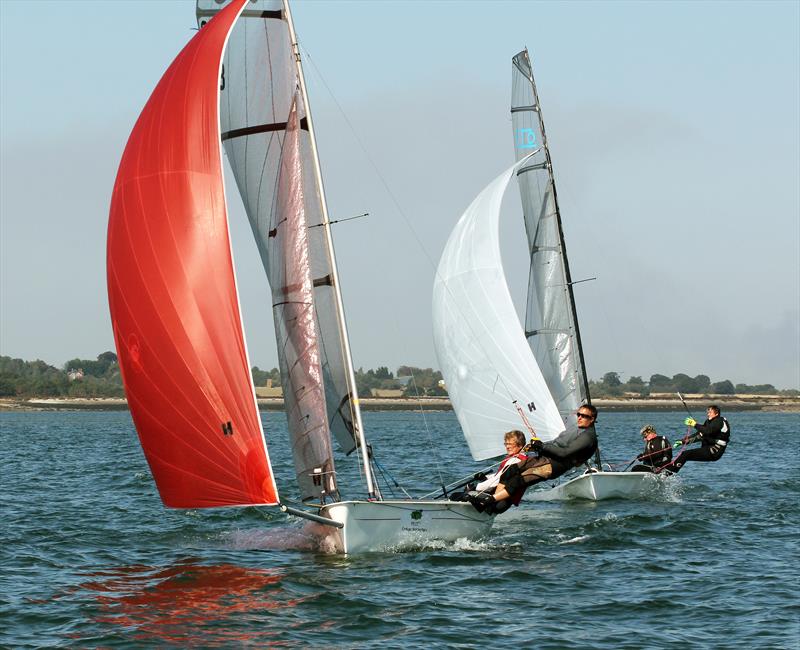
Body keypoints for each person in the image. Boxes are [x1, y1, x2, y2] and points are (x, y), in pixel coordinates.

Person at [468, 405, 599, 514]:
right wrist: (538, 447)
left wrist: (542, 446)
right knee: (510, 470)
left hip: (552, 466)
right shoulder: (578, 429)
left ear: (592, 419)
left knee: (518, 481)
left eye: (584, 416)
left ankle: (491, 502)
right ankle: (493, 501)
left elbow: (564, 453)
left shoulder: (588, 437)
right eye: (579, 414)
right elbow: (555, 443)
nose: (580, 418)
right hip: (544, 458)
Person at [450, 430, 529, 514]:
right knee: (466, 494)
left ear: (520, 445)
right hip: (504, 502)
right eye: (506, 444)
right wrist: (485, 478)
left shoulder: (514, 461)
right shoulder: (522, 459)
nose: (507, 447)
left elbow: (497, 480)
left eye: (510, 444)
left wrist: (477, 487)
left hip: (498, 502)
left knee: (456, 495)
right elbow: (500, 476)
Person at [661, 405, 730, 474]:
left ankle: (668, 473)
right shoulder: (708, 422)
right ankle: (667, 470)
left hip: (715, 451)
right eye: (708, 412)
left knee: (685, 454)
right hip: (708, 449)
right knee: (684, 455)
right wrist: (682, 441)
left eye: (710, 412)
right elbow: (700, 435)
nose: (708, 414)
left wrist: (694, 424)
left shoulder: (720, 421)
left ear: (716, 414)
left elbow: (708, 431)